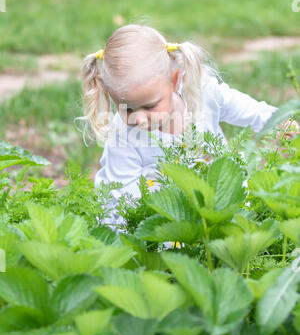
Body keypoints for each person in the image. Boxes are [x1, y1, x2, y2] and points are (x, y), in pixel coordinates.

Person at [78, 24, 299, 236]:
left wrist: (274, 121)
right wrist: (141, 232)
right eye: (126, 108)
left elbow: (240, 107)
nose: (139, 118)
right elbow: (122, 193)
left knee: (237, 197)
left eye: (150, 106)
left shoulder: (200, 92)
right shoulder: (123, 134)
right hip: (158, 214)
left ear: (174, 81)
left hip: (216, 194)